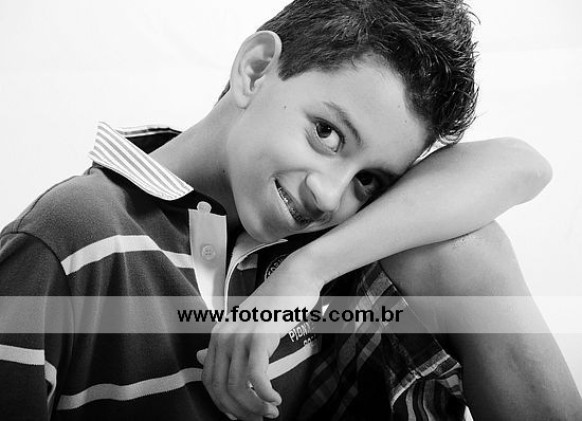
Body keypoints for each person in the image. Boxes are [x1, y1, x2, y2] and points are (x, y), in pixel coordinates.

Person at [0, 2, 579, 421]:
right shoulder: (72, 235)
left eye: (369, 179)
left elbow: (522, 165)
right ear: (254, 70)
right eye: (327, 133)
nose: (328, 196)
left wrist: (305, 271)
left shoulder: (312, 244)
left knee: (467, 246)